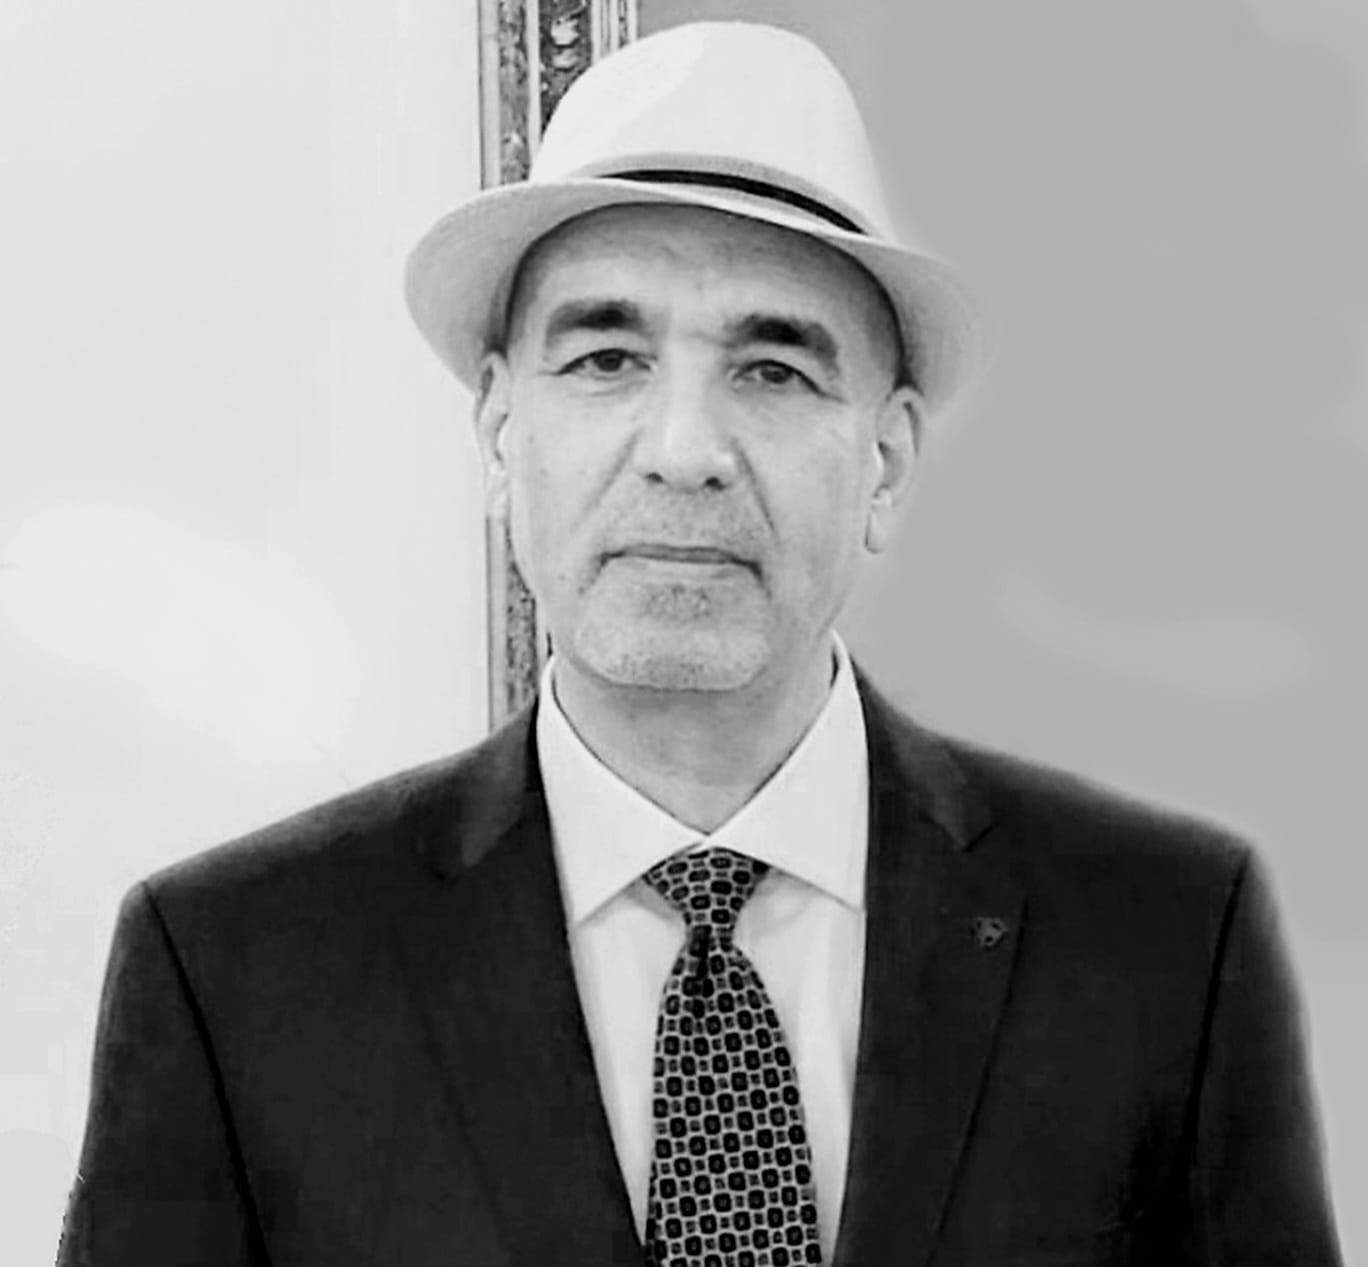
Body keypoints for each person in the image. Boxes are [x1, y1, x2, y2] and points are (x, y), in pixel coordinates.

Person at [58, 21, 1342, 1267]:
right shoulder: (232, 969)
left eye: (774, 371)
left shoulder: (1167, 939)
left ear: (888, 461)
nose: (684, 451)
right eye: (606, 358)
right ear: (501, 432)